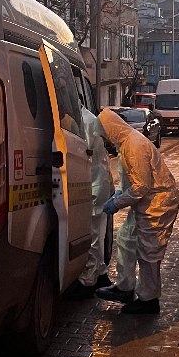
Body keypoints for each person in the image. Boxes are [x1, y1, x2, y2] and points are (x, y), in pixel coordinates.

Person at [95, 107, 179, 314]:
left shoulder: (134, 146)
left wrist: (117, 202)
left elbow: (142, 185)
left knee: (149, 252)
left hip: (157, 204)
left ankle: (148, 300)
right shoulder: (126, 144)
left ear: (111, 129)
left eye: (104, 134)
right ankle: (125, 287)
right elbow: (131, 181)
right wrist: (119, 195)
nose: (105, 139)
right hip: (146, 203)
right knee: (126, 239)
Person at [71, 106, 114, 297]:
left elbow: (83, 154)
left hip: (95, 184)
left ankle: (89, 280)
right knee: (97, 232)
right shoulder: (88, 118)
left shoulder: (84, 121)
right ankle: (102, 273)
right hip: (98, 182)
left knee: (93, 234)